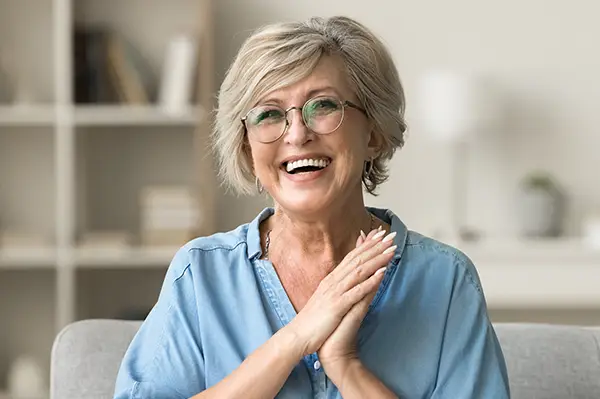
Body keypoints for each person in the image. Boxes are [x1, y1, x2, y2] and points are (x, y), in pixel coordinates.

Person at [114, 16, 510, 399]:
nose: (297, 133)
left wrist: (345, 364)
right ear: (248, 149)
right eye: (269, 114)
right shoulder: (201, 275)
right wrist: (293, 340)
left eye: (322, 106)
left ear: (373, 133)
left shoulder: (445, 280)